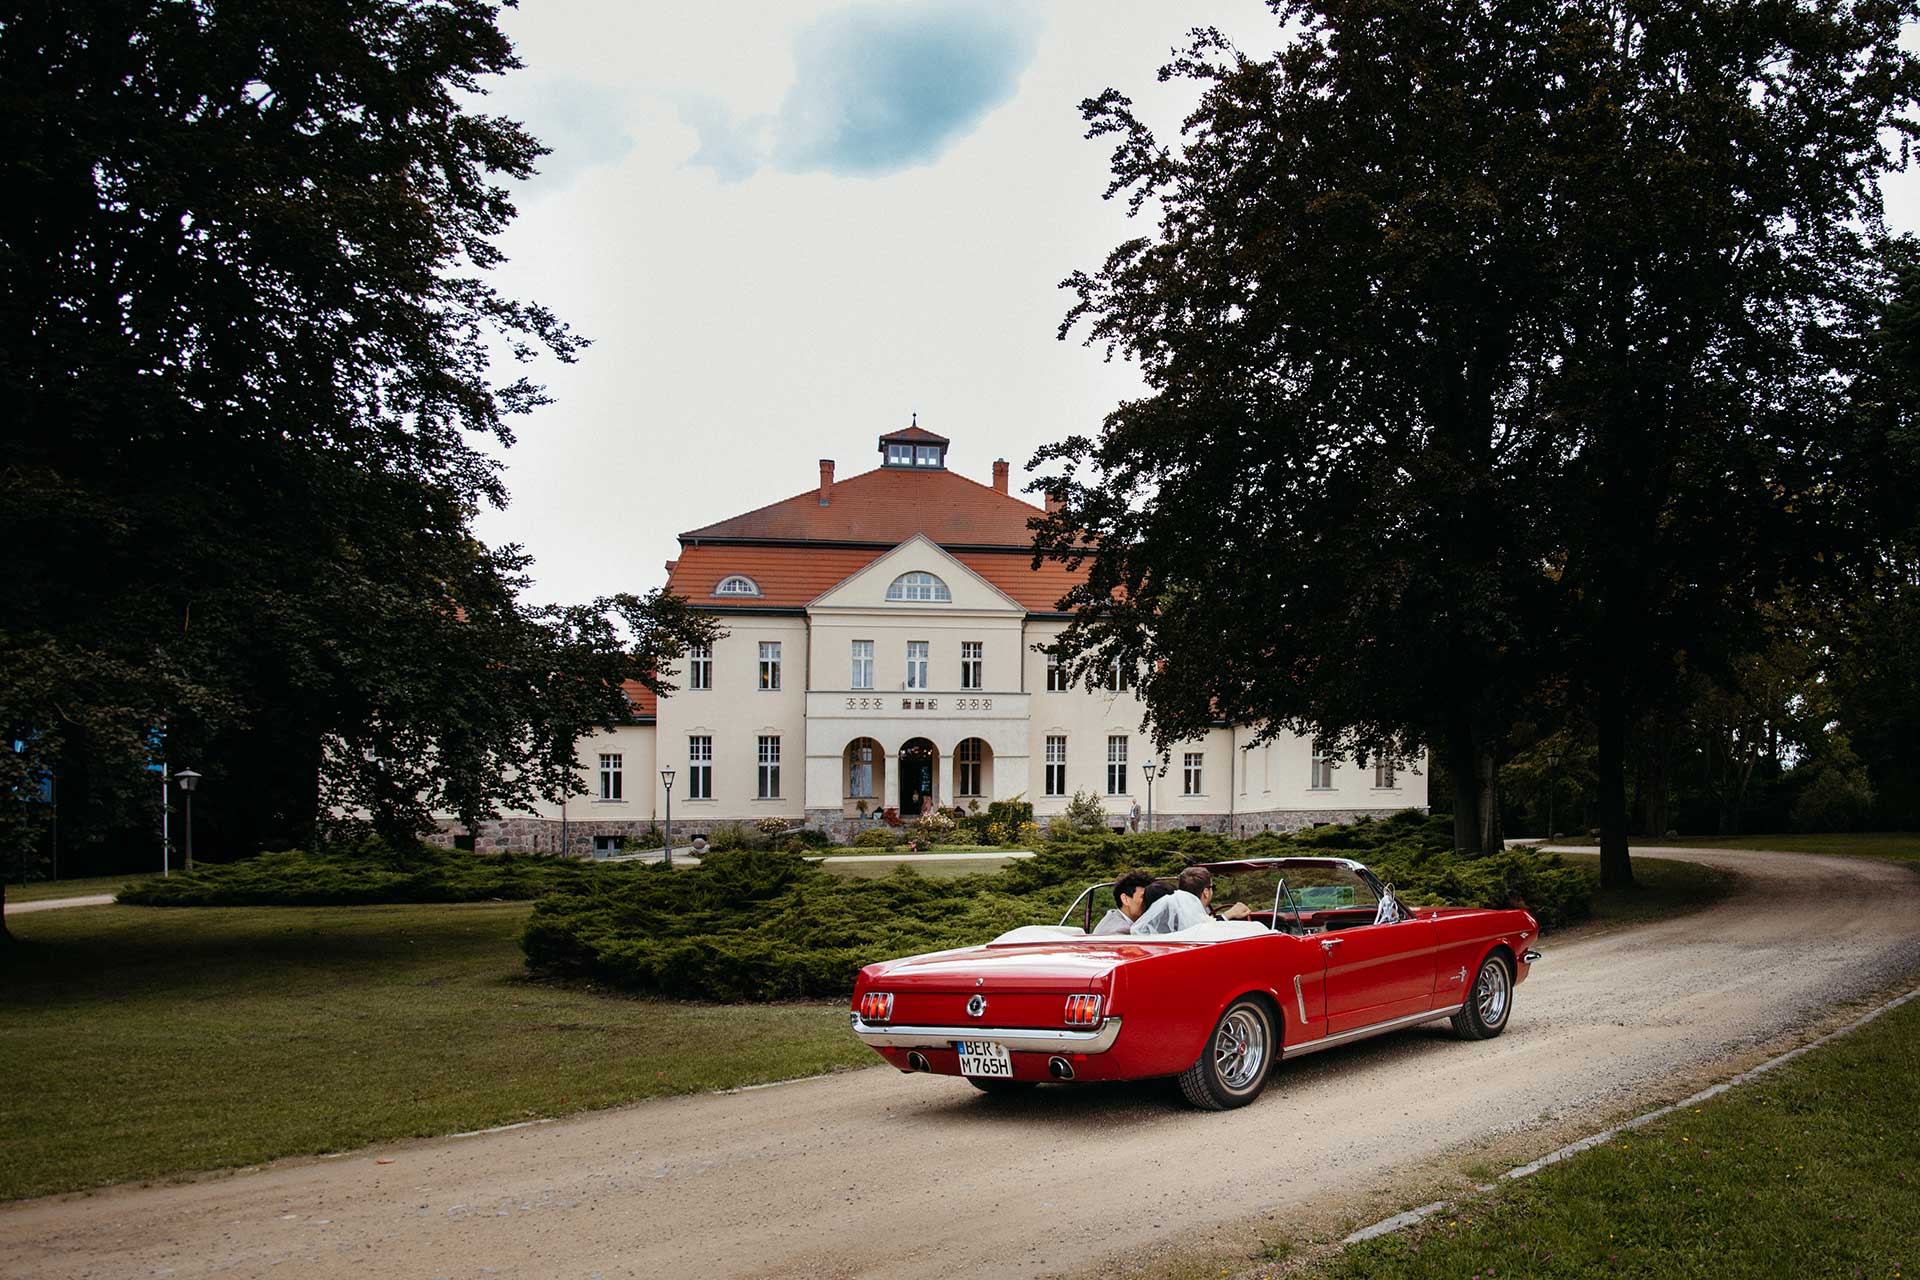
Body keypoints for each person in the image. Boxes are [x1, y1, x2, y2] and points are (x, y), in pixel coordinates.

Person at [1131, 866, 1252, 935]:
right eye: (1212, 887)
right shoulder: (1186, 919)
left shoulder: (1170, 913)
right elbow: (1205, 932)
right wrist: (1229, 915)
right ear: (1205, 892)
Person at [1092, 869, 1155, 934]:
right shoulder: (1120, 931)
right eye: (1143, 897)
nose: (1148, 901)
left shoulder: (1114, 916)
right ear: (1125, 899)